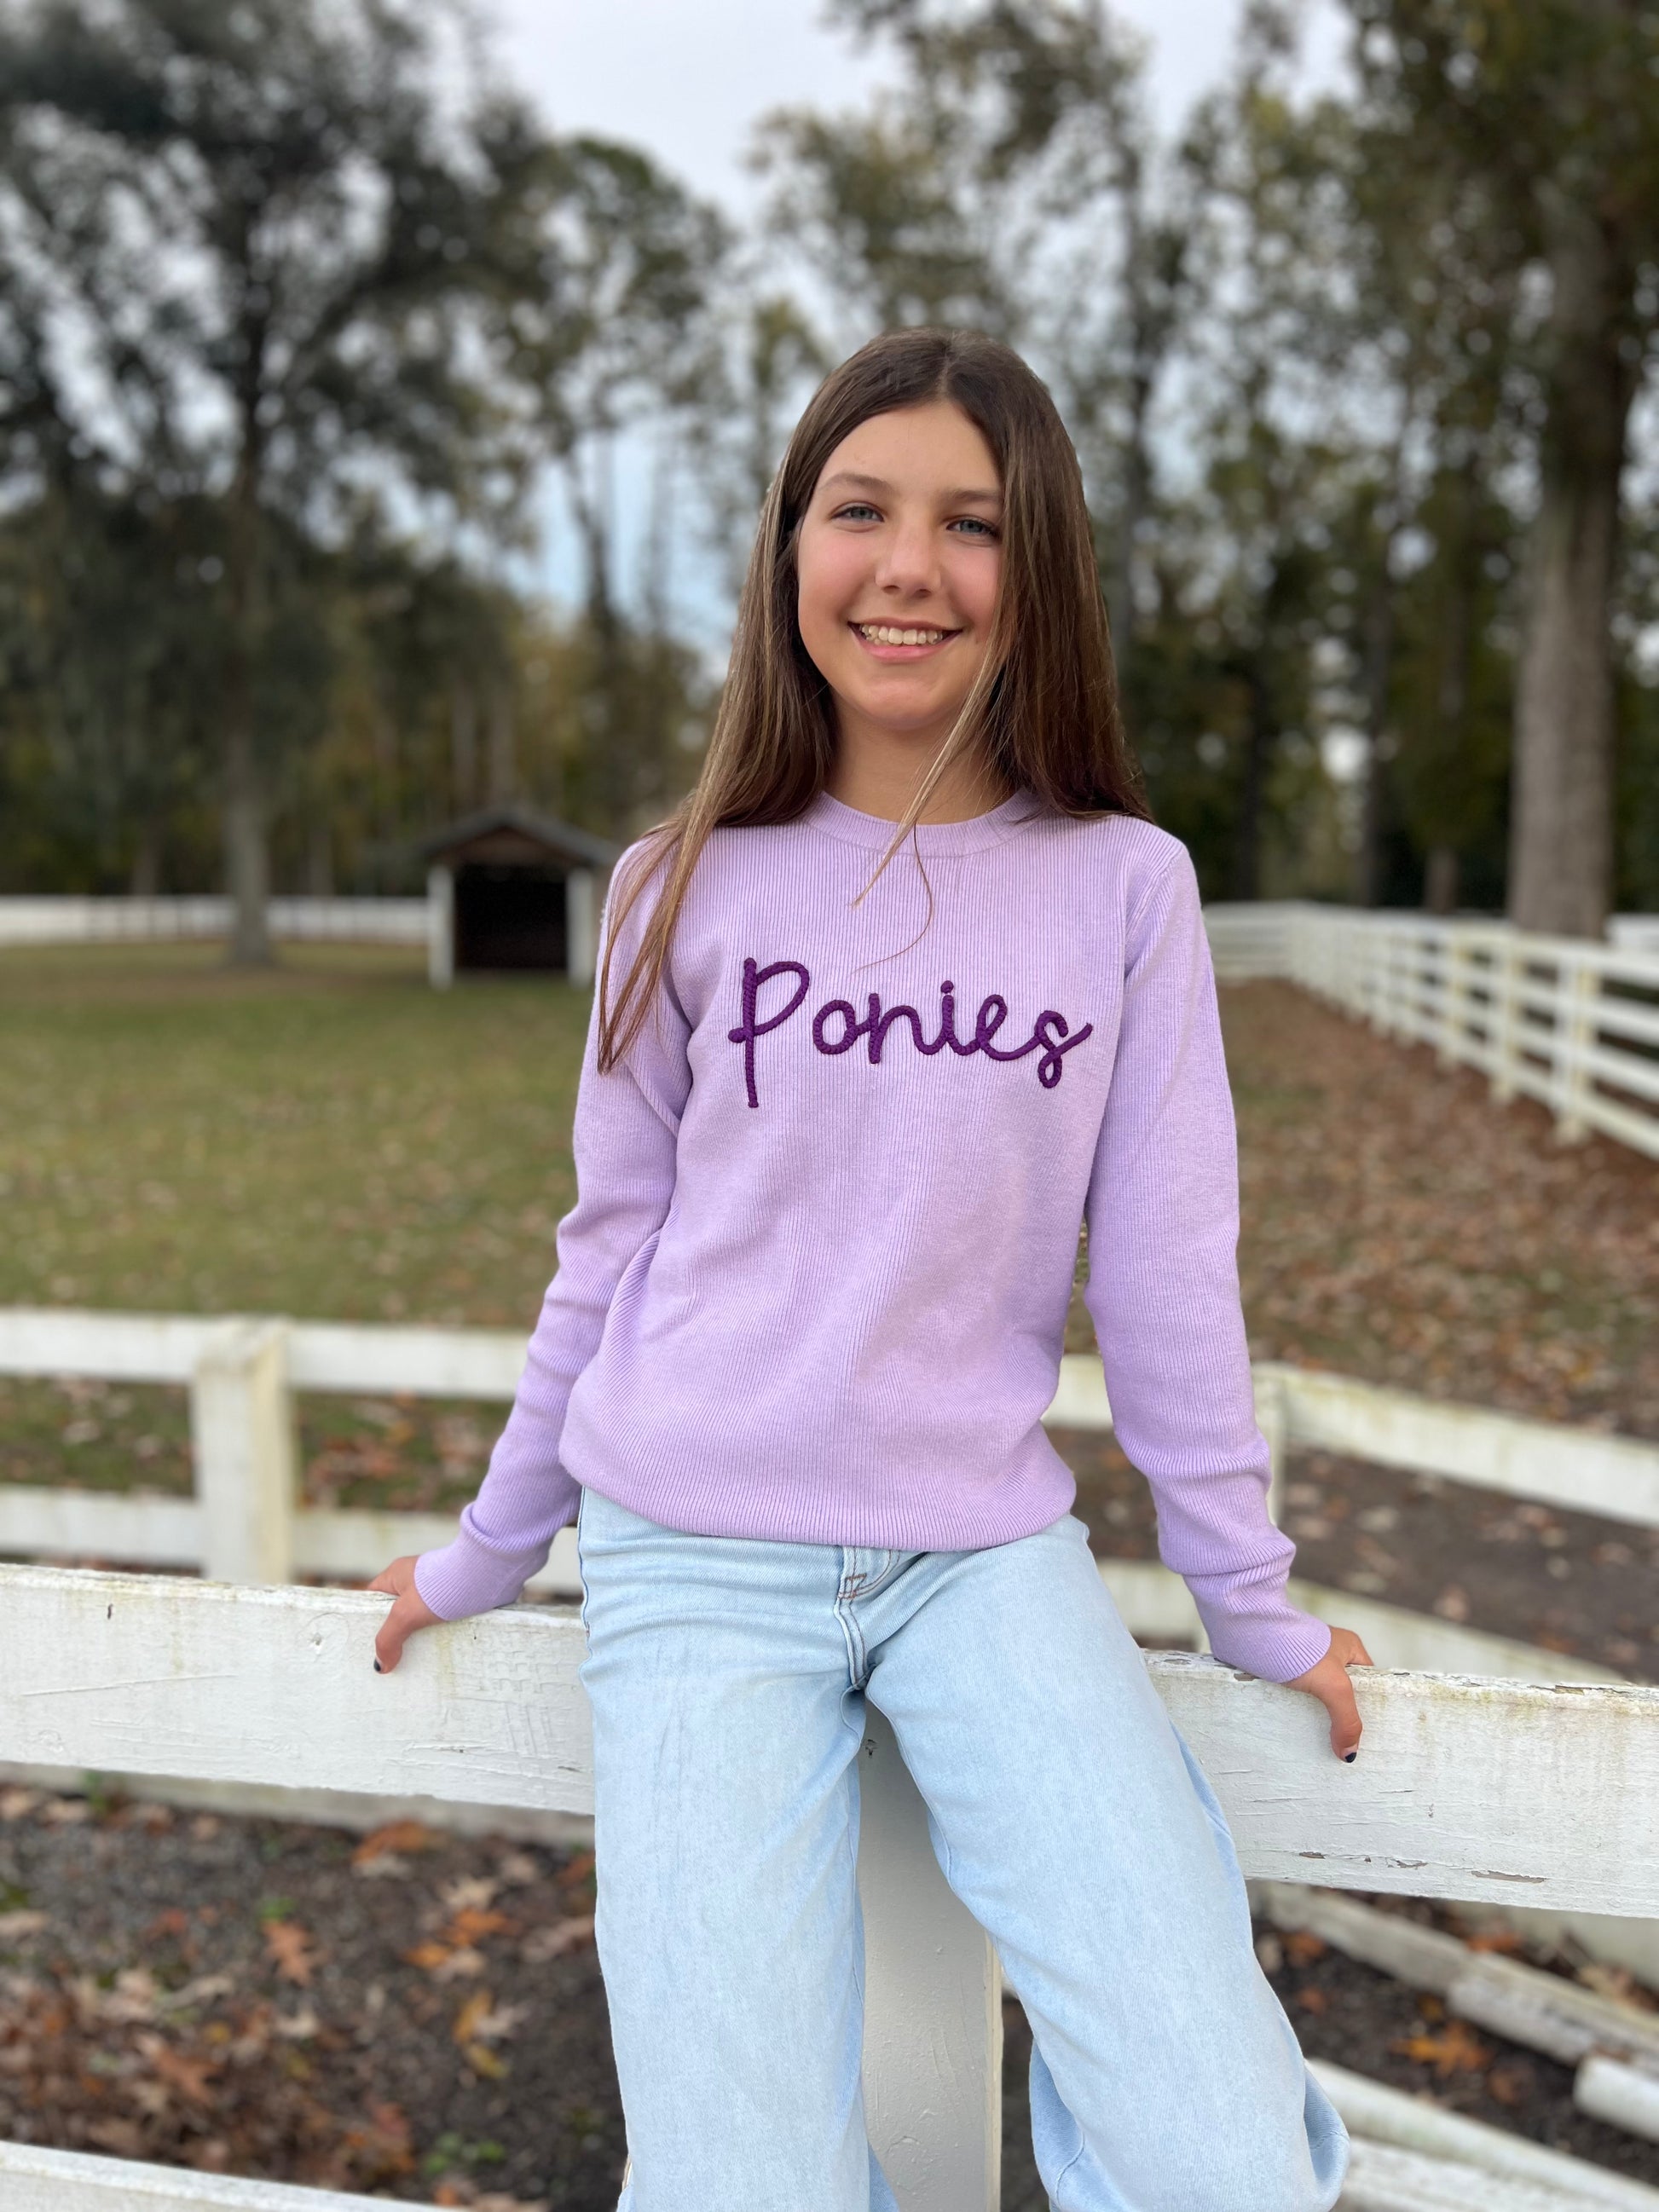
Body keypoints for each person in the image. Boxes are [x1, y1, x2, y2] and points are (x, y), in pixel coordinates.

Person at [369, 326, 1364, 2212]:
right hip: (689, 1555)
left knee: (1223, 2150)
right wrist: (486, 1549)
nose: (908, 567)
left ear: (1038, 569)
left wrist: (1251, 1604)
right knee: (741, 2184)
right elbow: (607, 1253)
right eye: (860, 510)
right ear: (787, 549)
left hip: (979, 1555)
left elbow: (1167, 1277)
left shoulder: (1124, 888)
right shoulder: (675, 883)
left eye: (970, 523)